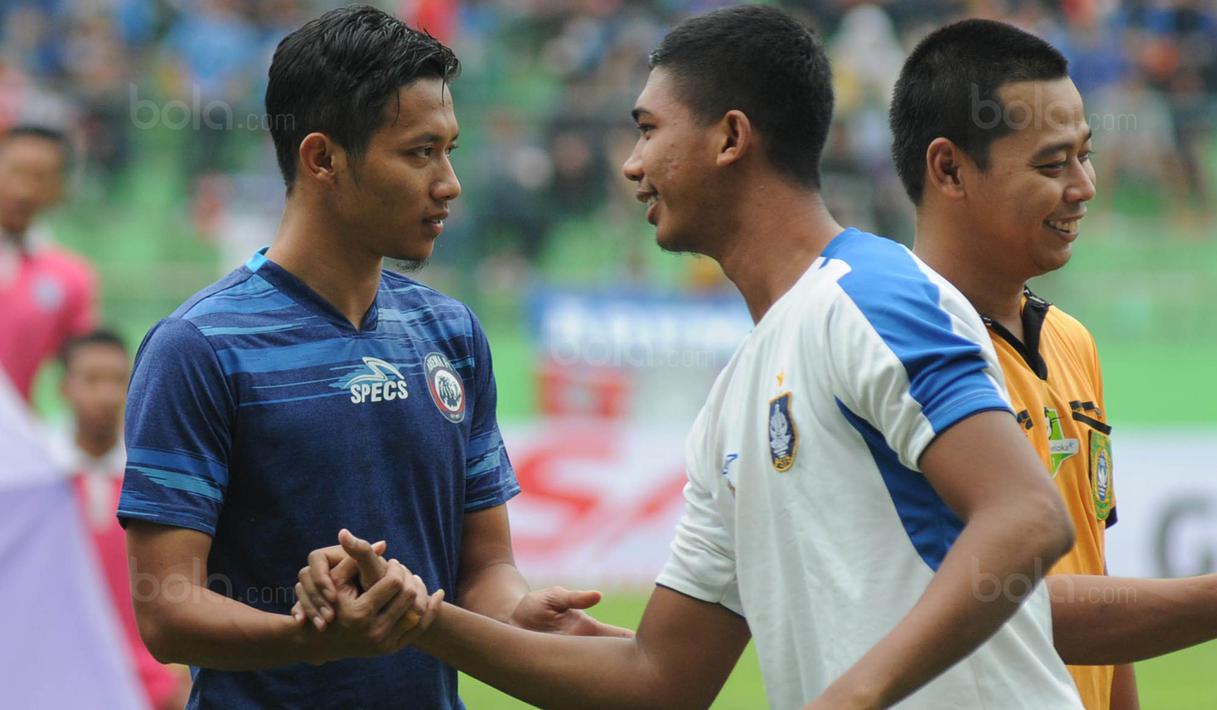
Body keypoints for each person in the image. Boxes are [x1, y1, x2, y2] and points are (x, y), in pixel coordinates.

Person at [298, 7, 1085, 708]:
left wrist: (853, 696)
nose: (631, 165)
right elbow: (657, 681)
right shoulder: (733, 399)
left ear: (730, 139)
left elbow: (1024, 517)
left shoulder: (869, 296)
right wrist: (421, 620)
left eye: (647, 130)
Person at [117, 7, 623, 709]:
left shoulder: (450, 333)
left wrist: (513, 615)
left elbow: (484, 568)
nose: (449, 183)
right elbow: (167, 611)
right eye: (419, 152)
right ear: (322, 158)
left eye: (449, 149)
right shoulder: (198, 348)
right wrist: (310, 635)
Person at [888, 20, 1126, 708]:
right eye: (1051, 166)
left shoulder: (1071, 341)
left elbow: (1096, 575)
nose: (1082, 186)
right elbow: (1016, 607)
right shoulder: (893, 354)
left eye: (1085, 156)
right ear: (948, 169)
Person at [48, 330, 190, 710]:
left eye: (117, 380)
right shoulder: (41, 482)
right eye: (92, 380)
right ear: (64, 387)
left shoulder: (156, 479)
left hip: (149, 682)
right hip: (54, 675)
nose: (107, 395)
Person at [0, 125, 97, 402]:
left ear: (59, 188)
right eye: (15, 172)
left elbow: (83, 371)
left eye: (40, 178)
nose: (24, 190)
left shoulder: (70, 277)